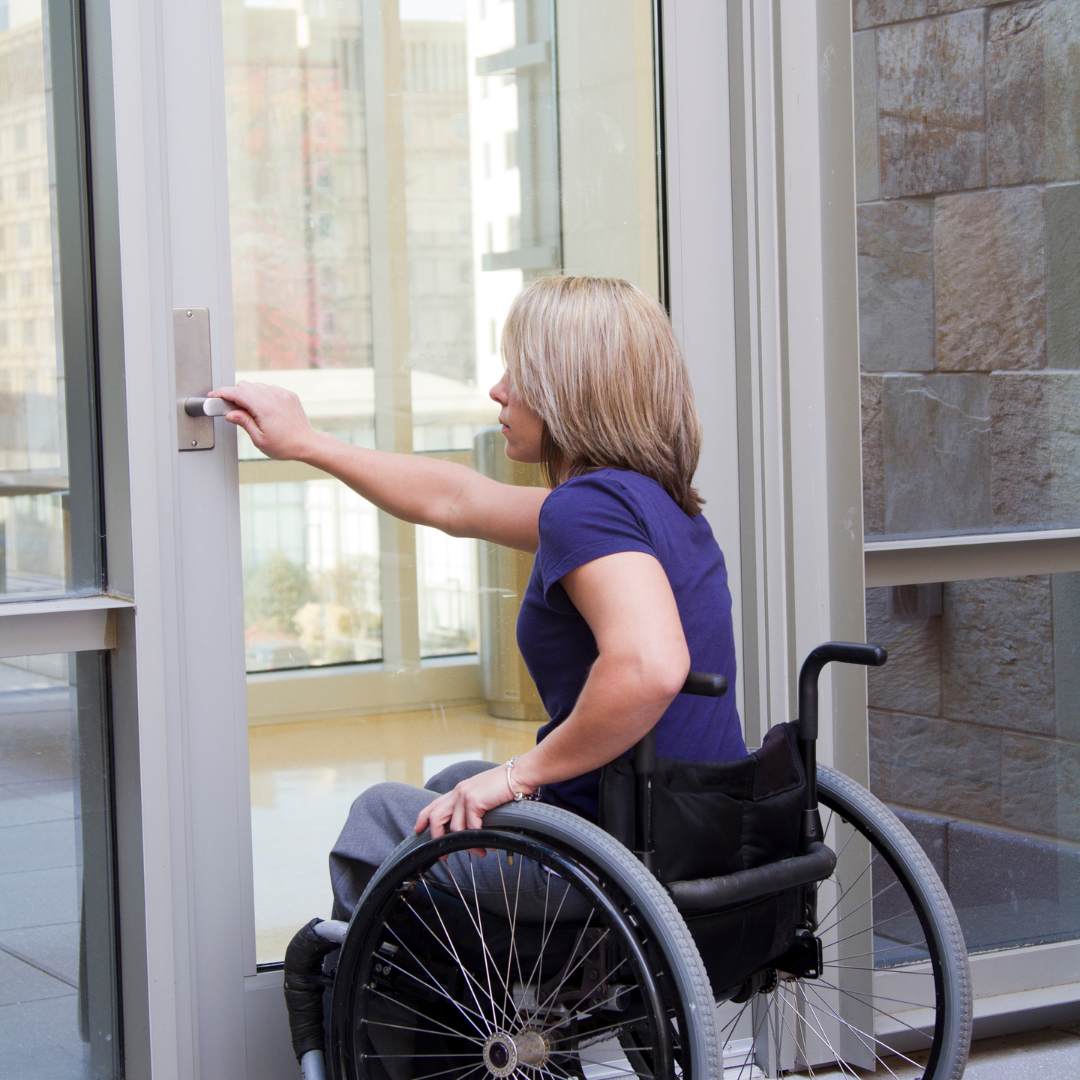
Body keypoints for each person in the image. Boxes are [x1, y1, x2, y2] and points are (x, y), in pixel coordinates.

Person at [211, 275, 746, 920]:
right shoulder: (649, 502)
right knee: (450, 783)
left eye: (517, 372)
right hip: (695, 827)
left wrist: (518, 775)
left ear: (566, 389)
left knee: (381, 816)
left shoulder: (590, 511)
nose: (498, 390)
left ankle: (381, 1018)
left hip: (620, 855)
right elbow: (455, 500)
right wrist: (308, 443)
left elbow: (650, 666)